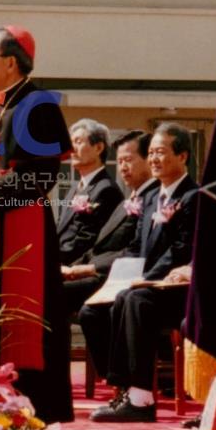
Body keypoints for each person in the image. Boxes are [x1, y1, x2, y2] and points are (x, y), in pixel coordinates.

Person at [0, 25, 74, 423]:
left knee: (28, 321)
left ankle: (36, 408)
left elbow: (41, 176)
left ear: (10, 62)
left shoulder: (38, 105)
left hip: (24, 229)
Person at [86, 123, 199, 423]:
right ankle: (125, 390)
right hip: (148, 283)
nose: (154, 160)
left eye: (161, 152)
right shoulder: (150, 199)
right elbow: (137, 246)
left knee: (135, 300)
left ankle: (142, 398)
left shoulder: (192, 197)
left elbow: (181, 250)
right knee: (114, 300)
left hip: (179, 287)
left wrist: (148, 277)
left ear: (183, 156)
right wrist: (122, 275)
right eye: (151, 153)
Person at [61, 130, 157, 318]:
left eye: (128, 160)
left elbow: (135, 250)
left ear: (149, 159)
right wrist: (71, 269)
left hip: (115, 276)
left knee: (54, 293)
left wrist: (85, 269)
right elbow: (99, 245)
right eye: (120, 161)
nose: (122, 167)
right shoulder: (126, 202)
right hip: (94, 272)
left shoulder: (154, 200)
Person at [57, 119, 120, 265]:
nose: (72, 149)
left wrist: (50, 259)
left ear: (98, 148)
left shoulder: (106, 190)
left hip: (79, 268)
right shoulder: (74, 188)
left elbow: (86, 240)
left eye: (78, 141)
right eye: (71, 142)